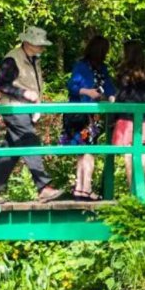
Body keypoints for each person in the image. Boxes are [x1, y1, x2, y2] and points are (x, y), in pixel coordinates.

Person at [0, 26, 64, 203]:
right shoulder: (12, 58)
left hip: (26, 110)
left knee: (12, 148)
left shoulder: (33, 59)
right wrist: (23, 93)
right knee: (30, 140)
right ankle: (43, 186)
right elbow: (0, 84)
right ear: (28, 43)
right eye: (39, 45)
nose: (42, 48)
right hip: (14, 108)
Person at [63, 35, 115, 201]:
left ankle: (80, 189)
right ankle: (85, 189)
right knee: (87, 151)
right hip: (80, 114)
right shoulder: (81, 66)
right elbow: (72, 86)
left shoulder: (102, 68)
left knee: (84, 151)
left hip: (93, 114)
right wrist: (88, 92)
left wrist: (111, 97)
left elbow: (108, 87)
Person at [113, 41, 145, 194]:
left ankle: (132, 193)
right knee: (144, 154)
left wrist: (114, 115)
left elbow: (120, 96)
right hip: (144, 119)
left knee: (129, 155)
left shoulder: (123, 71)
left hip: (126, 117)